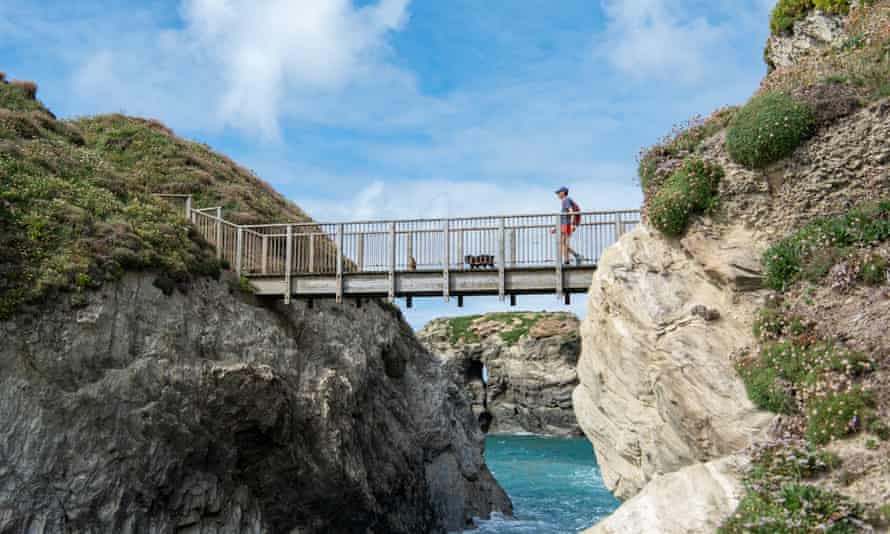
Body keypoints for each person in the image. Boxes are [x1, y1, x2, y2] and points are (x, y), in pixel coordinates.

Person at [554, 186, 582, 265]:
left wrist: (572, 224)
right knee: (563, 243)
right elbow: (564, 216)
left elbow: (571, 212)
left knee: (564, 243)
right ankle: (574, 256)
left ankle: (568, 260)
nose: (558, 195)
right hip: (564, 225)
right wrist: (556, 228)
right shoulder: (565, 201)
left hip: (567, 225)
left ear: (563, 192)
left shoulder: (566, 200)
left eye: (559, 193)